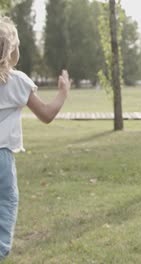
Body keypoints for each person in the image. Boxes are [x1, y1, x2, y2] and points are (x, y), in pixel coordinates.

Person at [0, 17, 70, 259]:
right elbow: (47, 115)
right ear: (11, 51)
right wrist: (63, 93)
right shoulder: (17, 81)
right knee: (6, 203)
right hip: (2, 158)